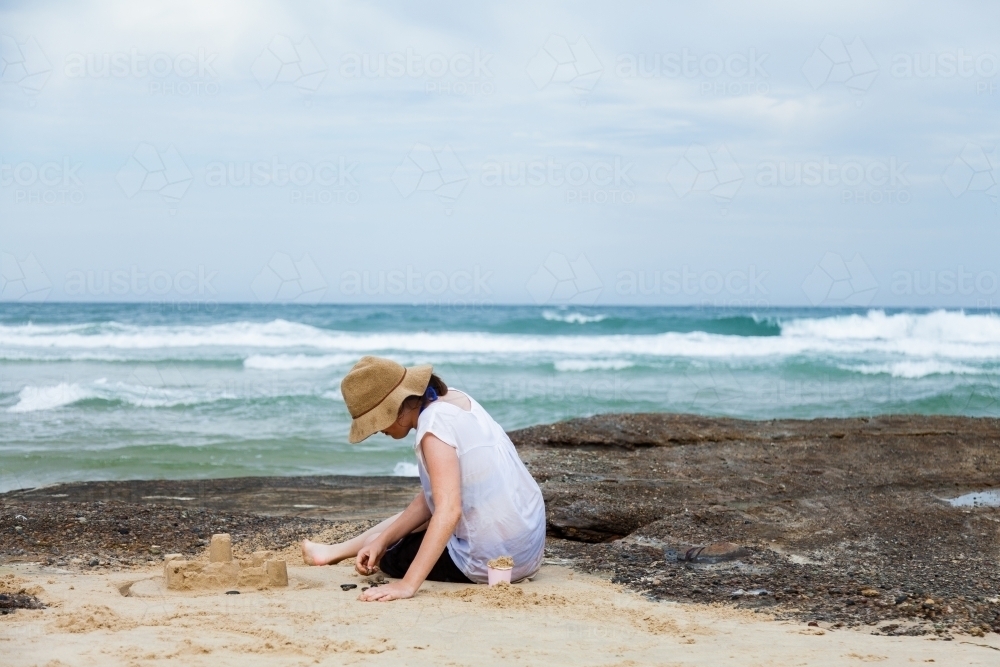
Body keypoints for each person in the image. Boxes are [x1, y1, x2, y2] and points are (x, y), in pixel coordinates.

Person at [301, 356, 546, 602]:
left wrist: (407, 585)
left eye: (375, 423)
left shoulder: (433, 426)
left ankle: (346, 550)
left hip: (489, 558)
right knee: (401, 529)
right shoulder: (453, 398)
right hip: (526, 547)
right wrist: (383, 539)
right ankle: (332, 552)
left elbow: (448, 510)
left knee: (391, 557)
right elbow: (435, 496)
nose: (378, 431)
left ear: (394, 409)